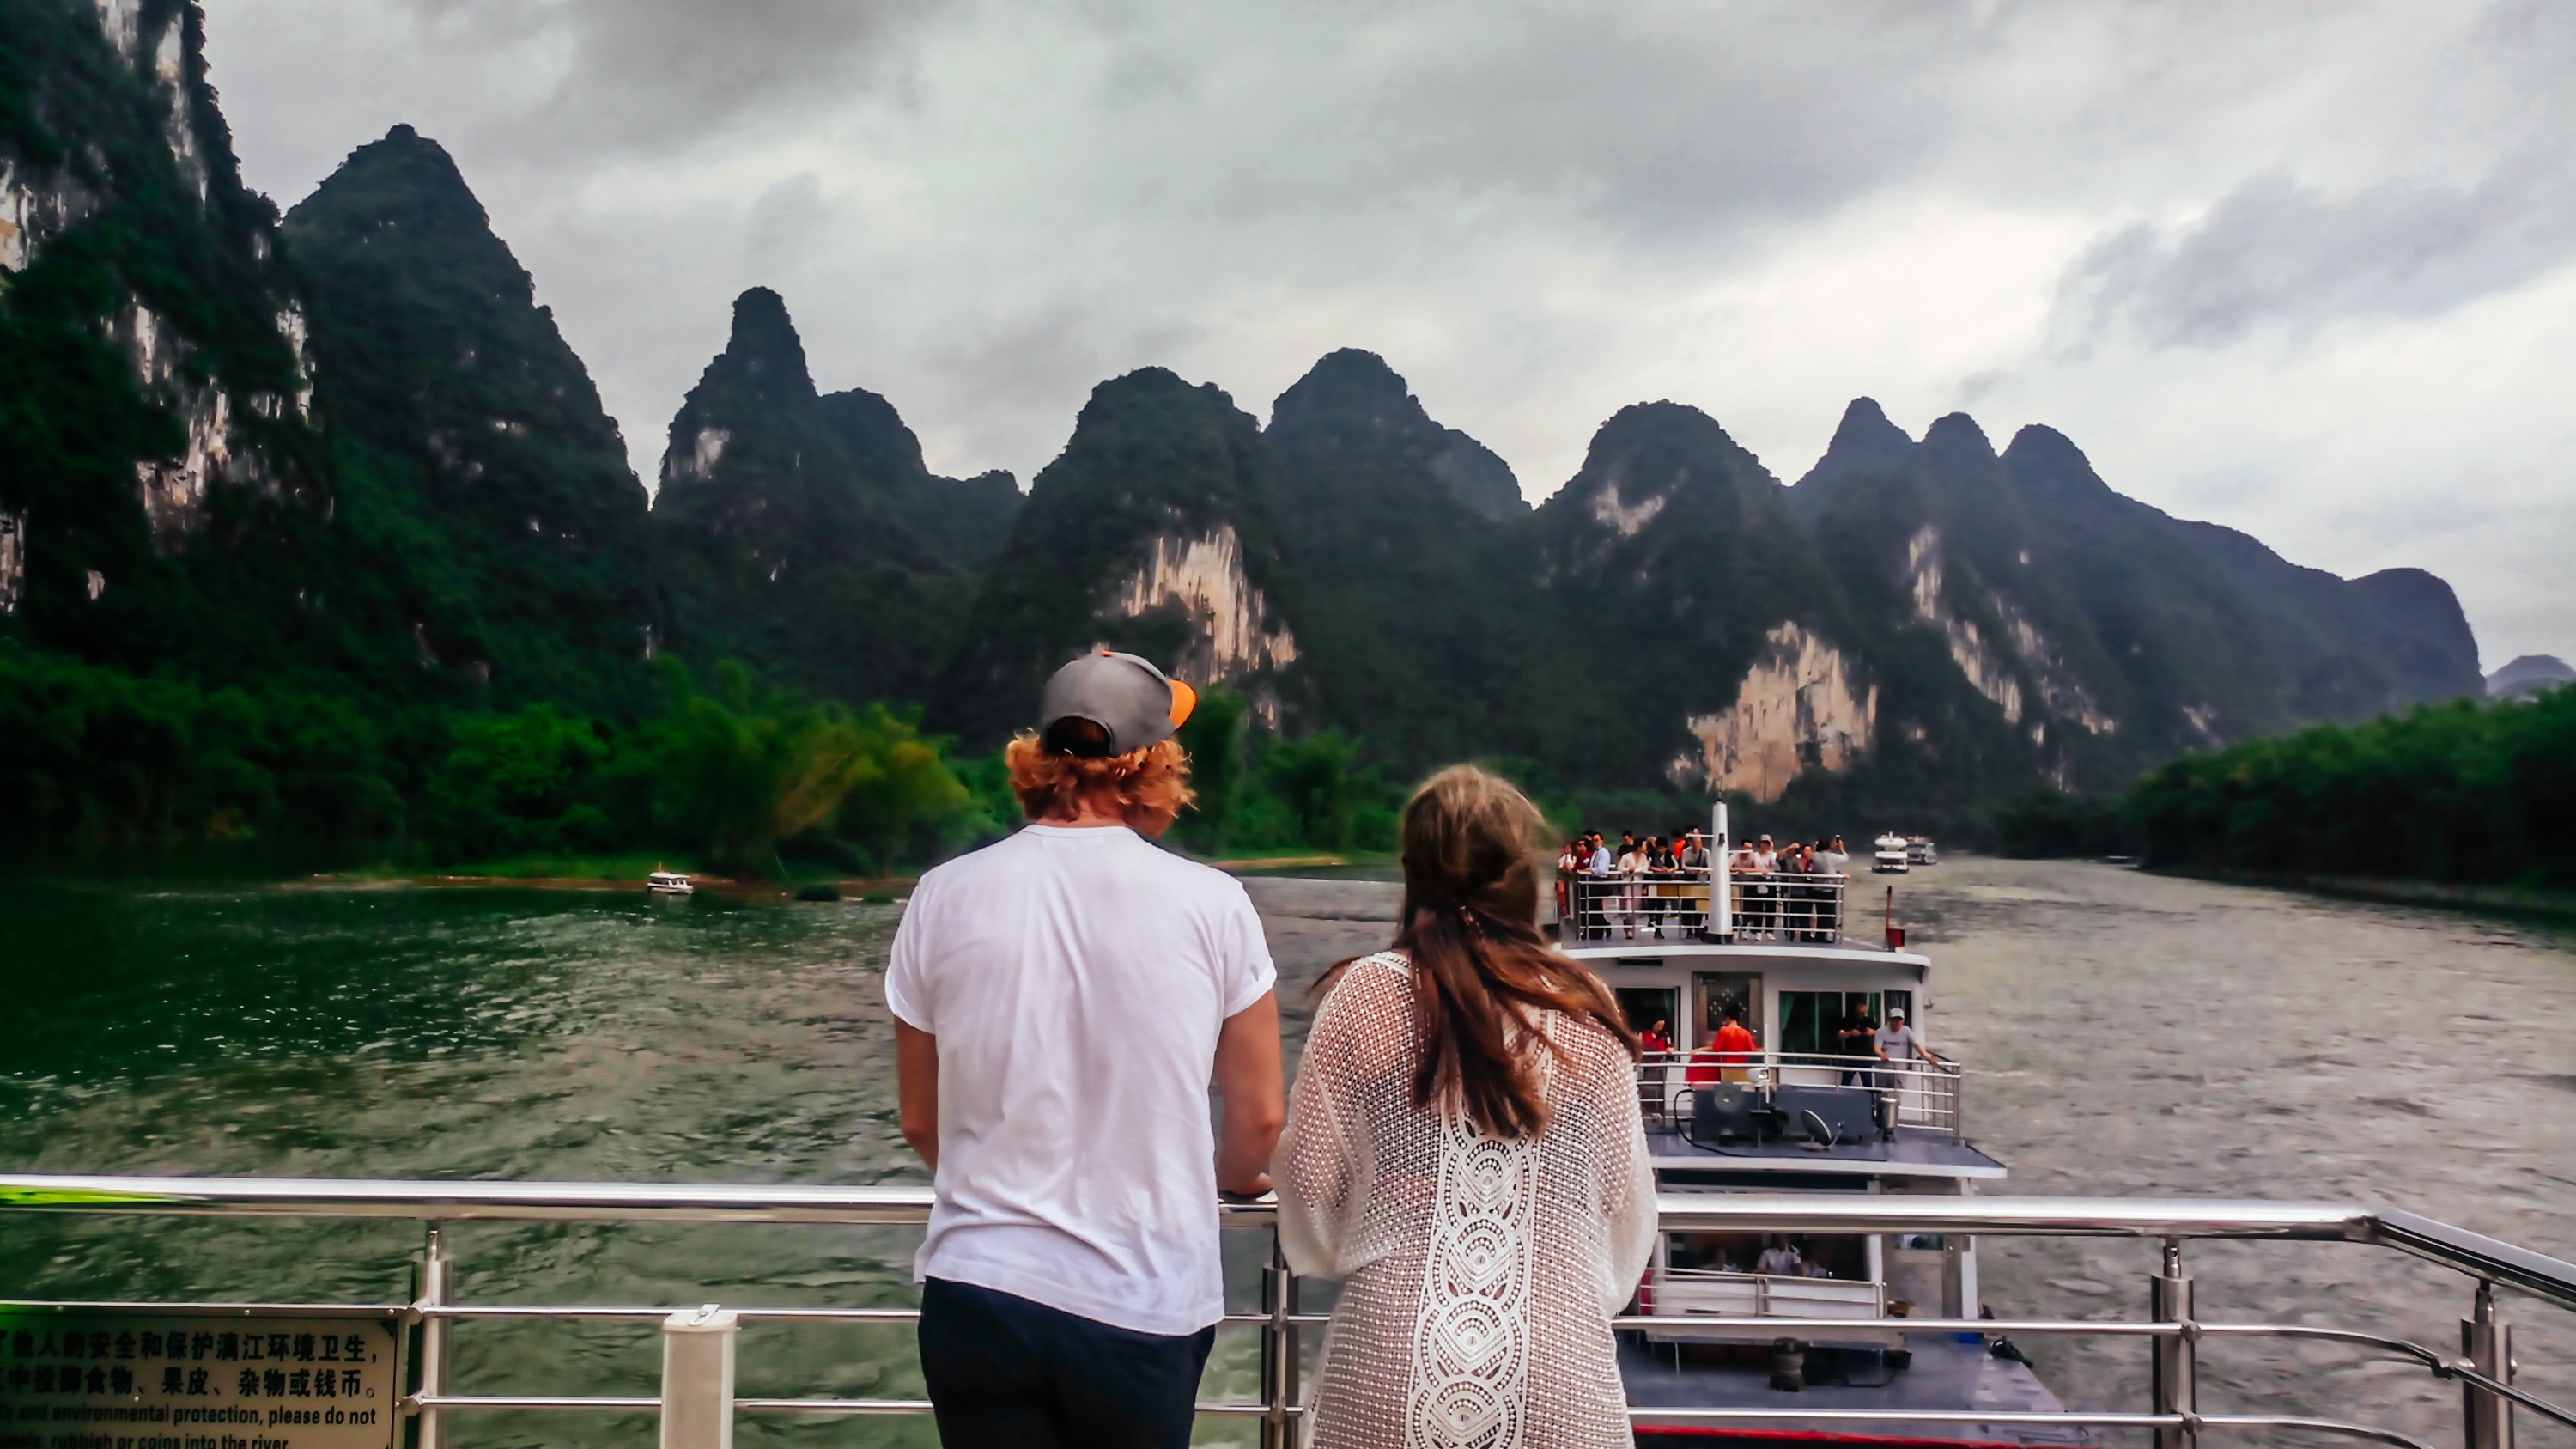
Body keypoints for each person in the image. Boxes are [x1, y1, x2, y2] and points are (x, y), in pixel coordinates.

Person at [889, 649, 1285, 1449]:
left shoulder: (942, 893)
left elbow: (922, 1123)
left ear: (1039, 758)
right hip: (1139, 1301)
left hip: (977, 1288)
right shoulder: (1215, 904)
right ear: (1152, 763)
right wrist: (1237, 1180)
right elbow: (1260, 1118)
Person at [1277, 765, 1654, 1449]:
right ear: (1524, 874)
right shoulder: (1586, 1004)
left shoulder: (1366, 992)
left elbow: (1305, 1187)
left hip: (1388, 1356)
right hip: (1557, 1362)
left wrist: (1374, 1239)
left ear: (1413, 873)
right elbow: (1624, 1215)